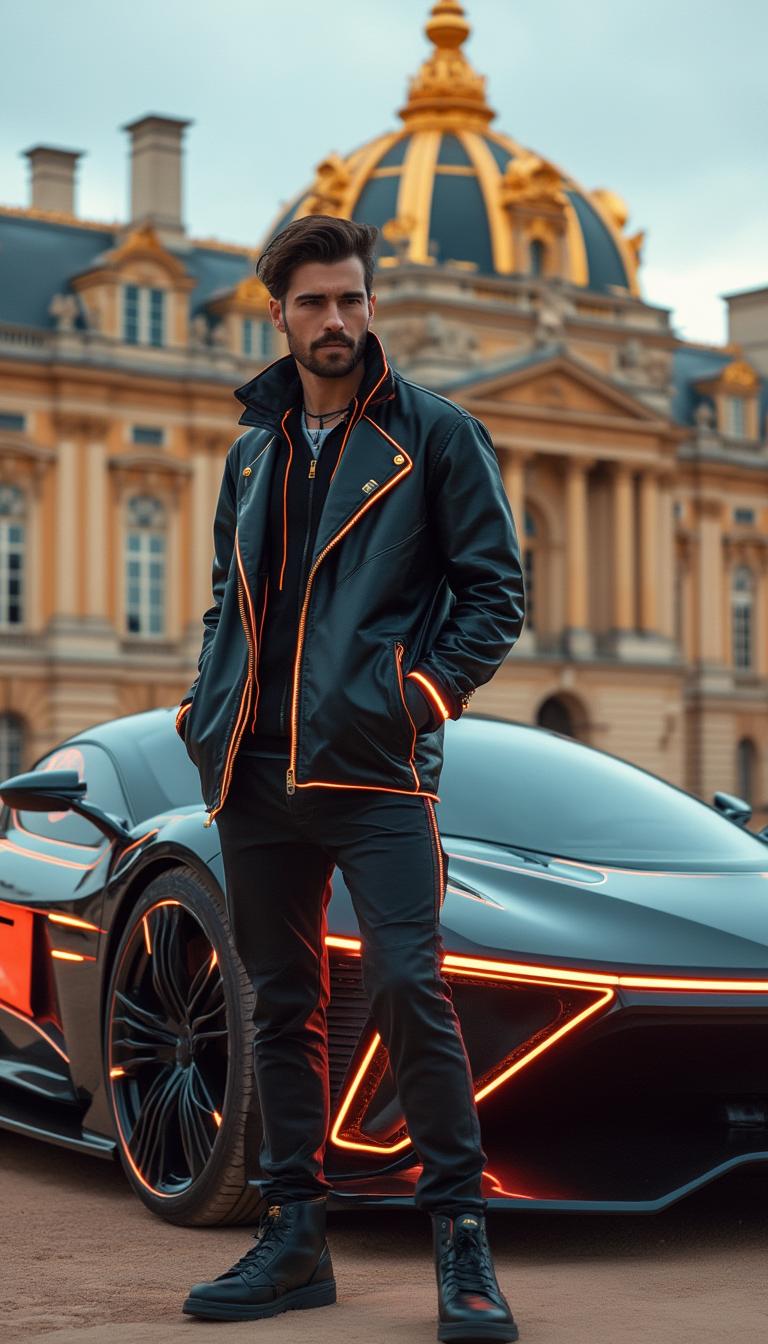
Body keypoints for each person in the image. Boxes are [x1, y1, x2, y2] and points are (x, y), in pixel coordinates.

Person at [176, 214, 525, 1342]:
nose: (336, 319)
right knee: (281, 1005)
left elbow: (495, 595)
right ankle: (294, 1240)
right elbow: (229, 601)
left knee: (409, 988)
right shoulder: (252, 448)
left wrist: (417, 699)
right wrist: (203, 706)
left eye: (352, 299)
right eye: (315, 301)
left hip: (376, 771)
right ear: (278, 312)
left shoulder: (438, 434)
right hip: (254, 770)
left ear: (372, 306)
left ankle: (462, 1246)